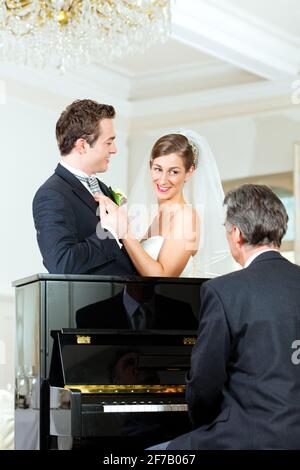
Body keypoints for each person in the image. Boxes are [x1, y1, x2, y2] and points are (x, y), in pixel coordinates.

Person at [155, 184, 300, 450]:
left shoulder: (223, 291)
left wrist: (203, 426)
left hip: (246, 438)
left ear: (236, 234)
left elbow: (203, 384)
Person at [98, 130, 232, 278]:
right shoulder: (157, 215)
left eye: (173, 172)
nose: (162, 180)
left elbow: (163, 276)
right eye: (158, 169)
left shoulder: (186, 217)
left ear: (189, 172)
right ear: (150, 166)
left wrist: (125, 232)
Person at [32, 99, 136, 275]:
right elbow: (62, 264)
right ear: (82, 145)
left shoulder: (102, 188)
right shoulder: (51, 194)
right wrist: (109, 231)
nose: (114, 150)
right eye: (108, 142)